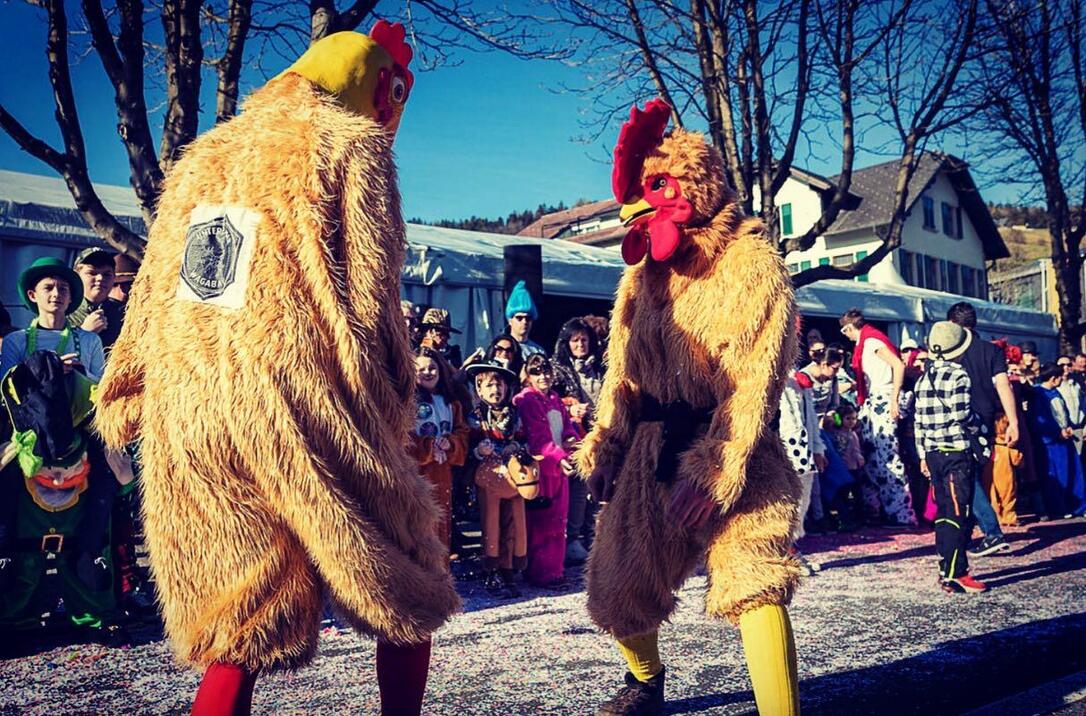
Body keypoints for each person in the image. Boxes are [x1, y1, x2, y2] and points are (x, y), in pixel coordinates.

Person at [93, 25, 460, 716]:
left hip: (195, 402)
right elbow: (370, 287)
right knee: (404, 573)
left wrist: (131, 383)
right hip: (300, 394)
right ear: (381, 88)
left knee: (246, 608)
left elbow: (169, 286)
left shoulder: (208, 158)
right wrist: (391, 390)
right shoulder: (351, 144)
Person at [0, 256, 122, 640]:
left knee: (84, 533)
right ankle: (17, 615)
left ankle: (90, 613)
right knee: (23, 534)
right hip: (29, 449)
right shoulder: (17, 341)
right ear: (33, 295)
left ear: (72, 298)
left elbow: (103, 390)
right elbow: (6, 390)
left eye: (64, 289)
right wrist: (43, 368)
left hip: (79, 445)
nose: (57, 295)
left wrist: (79, 374)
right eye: (49, 288)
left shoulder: (88, 341)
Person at [914, 321, 988, 594]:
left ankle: (946, 569)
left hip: (933, 454)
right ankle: (957, 573)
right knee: (960, 513)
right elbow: (962, 414)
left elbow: (918, 423)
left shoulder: (924, 379)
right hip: (956, 452)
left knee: (945, 513)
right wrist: (979, 426)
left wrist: (922, 454)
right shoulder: (958, 375)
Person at [945, 303, 1017, 556]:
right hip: (986, 420)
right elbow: (1003, 386)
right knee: (972, 475)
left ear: (952, 324)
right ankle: (967, 533)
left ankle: (992, 532)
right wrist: (1014, 421)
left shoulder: (951, 352)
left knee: (966, 479)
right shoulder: (992, 351)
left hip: (959, 420)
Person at [839, 308, 916, 525]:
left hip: (883, 398)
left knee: (887, 457)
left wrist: (893, 398)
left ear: (850, 328)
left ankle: (902, 514)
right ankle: (882, 510)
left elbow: (898, 365)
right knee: (873, 459)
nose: (845, 334)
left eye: (845, 330)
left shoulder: (872, 342)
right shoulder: (866, 343)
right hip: (874, 401)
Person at [465, 359, 531, 597]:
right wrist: (478, 450)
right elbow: (469, 444)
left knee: (513, 523)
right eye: (490, 386)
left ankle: (508, 568)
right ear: (480, 389)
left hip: (512, 476)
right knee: (491, 524)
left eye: (499, 385)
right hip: (488, 477)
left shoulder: (514, 414)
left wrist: (516, 447)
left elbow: (523, 439)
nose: (495, 390)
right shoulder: (475, 416)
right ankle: (491, 569)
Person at [513, 354, 578, 588]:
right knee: (543, 522)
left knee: (558, 521)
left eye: (546, 371)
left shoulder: (555, 399)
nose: (544, 376)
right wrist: (560, 457)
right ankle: (542, 572)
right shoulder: (528, 399)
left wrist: (574, 443)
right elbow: (538, 437)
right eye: (537, 372)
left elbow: (568, 429)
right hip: (542, 468)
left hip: (559, 467)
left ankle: (554, 569)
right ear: (528, 375)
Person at [552, 317, 605, 565]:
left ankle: (595, 538)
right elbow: (549, 399)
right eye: (575, 340)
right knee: (579, 488)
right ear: (567, 343)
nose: (580, 344)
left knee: (600, 488)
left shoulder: (601, 367)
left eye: (584, 339)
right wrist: (569, 408)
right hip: (574, 437)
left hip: (602, 434)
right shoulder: (558, 370)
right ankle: (572, 539)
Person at [410, 348, 470, 551]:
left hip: (443, 469)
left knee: (442, 522)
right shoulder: (407, 402)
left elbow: (462, 431)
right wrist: (427, 447)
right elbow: (402, 436)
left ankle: (443, 574)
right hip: (418, 472)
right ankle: (423, 578)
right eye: (422, 369)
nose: (428, 372)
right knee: (420, 525)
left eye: (433, 368)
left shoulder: (451, 403)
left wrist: (450, 444)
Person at [778, 369, 827, 573]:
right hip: (783, 450)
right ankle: (783, 551)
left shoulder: (800, 379)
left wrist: (817, 448)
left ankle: (790, 548)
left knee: (801, 501)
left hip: (804, 451)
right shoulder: (771, 376)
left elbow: (812, 418)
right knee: (785, 503)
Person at [1029, 363, 1086, 519]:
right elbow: (1039, 420)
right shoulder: (1038, 394)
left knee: (1073, 473)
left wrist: (1066, 428)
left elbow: (1062, 413)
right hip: (1050, 444)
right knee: (1055, 476)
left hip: (1064, 440)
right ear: (1054, 378)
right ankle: (1058, 508)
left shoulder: (1056, 393)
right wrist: (1056, 432)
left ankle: (1077, 506)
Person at [68, 247, 126, 351]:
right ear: (77, 276)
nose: (100, 278)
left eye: (107, 274)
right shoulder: (63, 311)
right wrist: (85, 333)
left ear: (114, 277)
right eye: (92, 273)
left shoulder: (124, 314)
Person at [827, 402, 864, 529]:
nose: (851, 421)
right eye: (848, 418)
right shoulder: (835, 434)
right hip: (841, 468)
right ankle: (844, 519)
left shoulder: (852, 434)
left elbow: (856, 449)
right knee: (842, 495)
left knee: (854, 494)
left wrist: (859, 457)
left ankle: (854, 518)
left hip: (852, 468)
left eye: (854, 418)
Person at [983, 413, 1024, 526]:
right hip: (1006, 477)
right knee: (1008, 497)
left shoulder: (990, 445)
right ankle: (1009, 517)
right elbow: (1017, 460)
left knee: (992, 497)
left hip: (989, 476)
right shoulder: (1008, 446)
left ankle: (996, 517)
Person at [505, 280, 546, 360]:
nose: (524, 322)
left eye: (528, 318)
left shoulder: (538, 351)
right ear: (510, 320)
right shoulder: (501, 347)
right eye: (519, 318)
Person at [1057, 356, 1085, 456]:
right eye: (1062, 365)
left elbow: (1083, 406)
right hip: (1064, 431)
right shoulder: (1056, 386)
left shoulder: (1077, 384)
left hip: (1079, 429)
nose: (1065, 367)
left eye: (1068, 365)